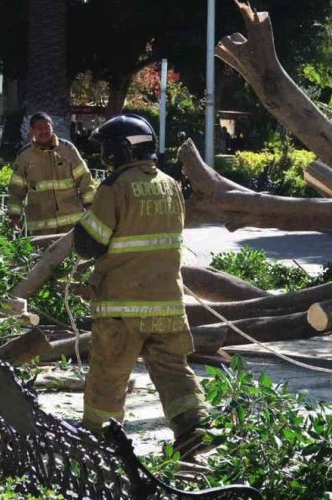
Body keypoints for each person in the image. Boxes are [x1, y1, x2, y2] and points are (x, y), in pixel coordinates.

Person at [73, 114, 209, 459]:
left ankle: (98, 440)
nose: (103, 154)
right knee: (173, 369)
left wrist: (81, 225)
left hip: (122, 306)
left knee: (109, 373)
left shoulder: (115, 187)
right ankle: (194, 427)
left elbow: (91, 242)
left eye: (106, 148)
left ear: (121, 150)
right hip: (166, 303)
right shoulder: (170, 185)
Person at [7, 112, 95, 235]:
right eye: (39, 128)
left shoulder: (68, 149)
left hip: (72, 226)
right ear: (31, 130)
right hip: (41, 228)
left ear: (52, 127)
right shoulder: (24, 157)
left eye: (47, 127)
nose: (44, 131)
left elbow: (85, 179)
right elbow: (16, 191)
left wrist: (91, 209)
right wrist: (14, 217)